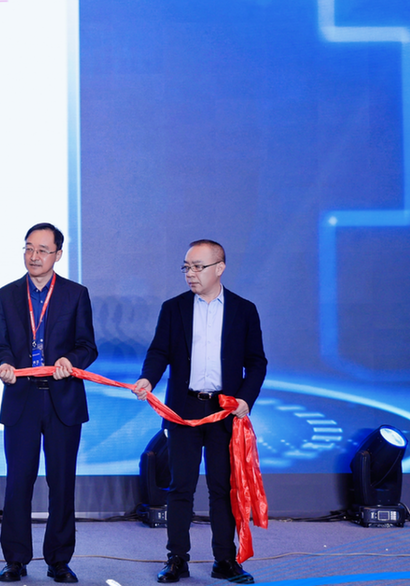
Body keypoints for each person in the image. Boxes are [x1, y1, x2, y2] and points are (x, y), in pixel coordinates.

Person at [132, 239, 267, 584]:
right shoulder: (174, 308)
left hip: (224, 411)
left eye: (197, 267)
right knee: (181, 487)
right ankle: (177, 559)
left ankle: (225, 560)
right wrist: (148, 379)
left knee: (223, 488)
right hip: (184, 409)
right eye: (186, 267)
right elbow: (159, 352)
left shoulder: (243, 310)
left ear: (219, 268)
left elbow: (256, 362)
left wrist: (245, 399)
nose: (190, 274)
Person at [0, 222, 98, 584]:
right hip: (21, 398)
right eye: (28, 248)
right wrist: (5, 363)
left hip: (62, 399)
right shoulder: (5, 295)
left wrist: (71, 360)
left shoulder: (75, 294)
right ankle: (15, 560)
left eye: (42, 250)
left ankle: (59, 560)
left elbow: (88, 346)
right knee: (18, 482)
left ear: (58, 255)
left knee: (62, 483)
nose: (33, 256)